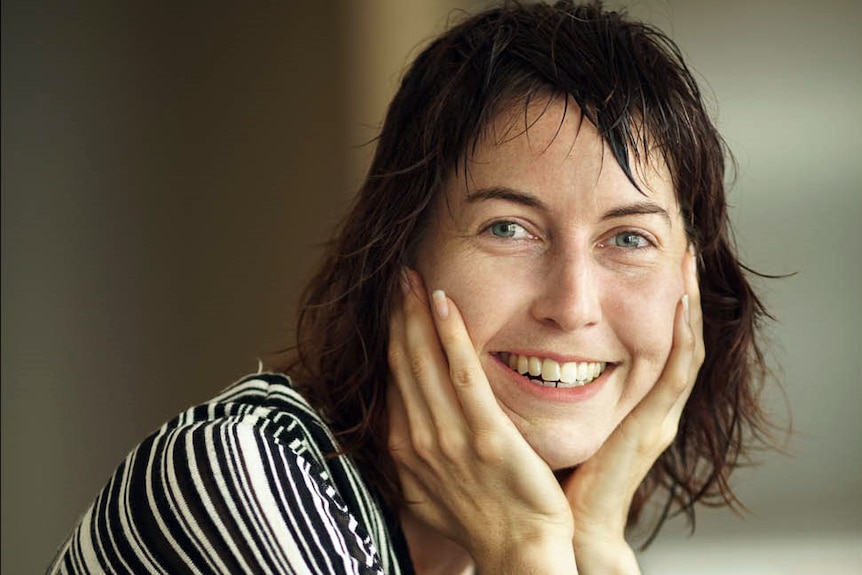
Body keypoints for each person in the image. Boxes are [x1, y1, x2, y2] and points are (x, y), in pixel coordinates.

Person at [47, 1, 774, 573]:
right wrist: (523, 549)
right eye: (508, 228)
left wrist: (596, 545)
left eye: (628, 239)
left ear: (690, 287)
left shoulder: (533, 543)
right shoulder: (242, 476)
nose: (573, 305)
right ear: (400, 249)